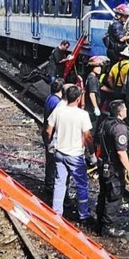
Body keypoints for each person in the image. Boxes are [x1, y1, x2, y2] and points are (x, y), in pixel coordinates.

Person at [46, 85, 93, 226]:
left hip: (59, 153)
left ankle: (56, 213)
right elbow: (88, 136)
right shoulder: (82, 115)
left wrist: (50, 143)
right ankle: (83, 214)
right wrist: (92, 154)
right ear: (78, 99)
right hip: (75, 156)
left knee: (59, 183)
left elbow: (48, 131)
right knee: (81, 185)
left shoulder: (58, 111)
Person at [95, 100, 129, 238]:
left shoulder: (104, 123)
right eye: (125, 109)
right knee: (114, 197)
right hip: (114, 168)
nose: (126, 111)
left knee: (103, 193)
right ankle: (108, 227)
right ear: (120, 112)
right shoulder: (120, 129)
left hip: (103, 164)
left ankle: (100, 223)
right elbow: (121, 152)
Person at [42, 78, 64, 194]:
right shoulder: (57, 103)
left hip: (46, 132)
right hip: (51, 134)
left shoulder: (50, 98)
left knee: (50, 161)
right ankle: (50, 186)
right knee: (52, 162)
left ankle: (49, 184)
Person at [85, 55, 108, 126]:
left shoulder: (93, 77)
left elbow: (102, 87)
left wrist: (114, 91)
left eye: (100, 67)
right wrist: (96, 108)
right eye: (97, 67)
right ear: (92, 67)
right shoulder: (92, 79)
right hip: (91, 109)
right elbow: (92, 94)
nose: (99, 69)